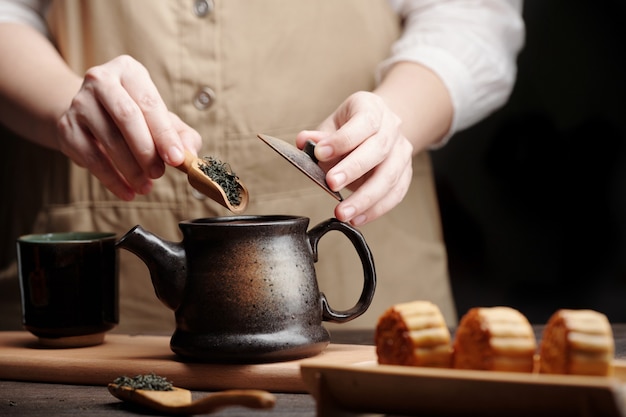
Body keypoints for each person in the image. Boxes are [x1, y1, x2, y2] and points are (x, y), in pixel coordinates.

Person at [0, 0, 525, 332]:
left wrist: (397, 118)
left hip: (369, 299)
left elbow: (472, 13)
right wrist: (64, 104)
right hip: (98, 307)